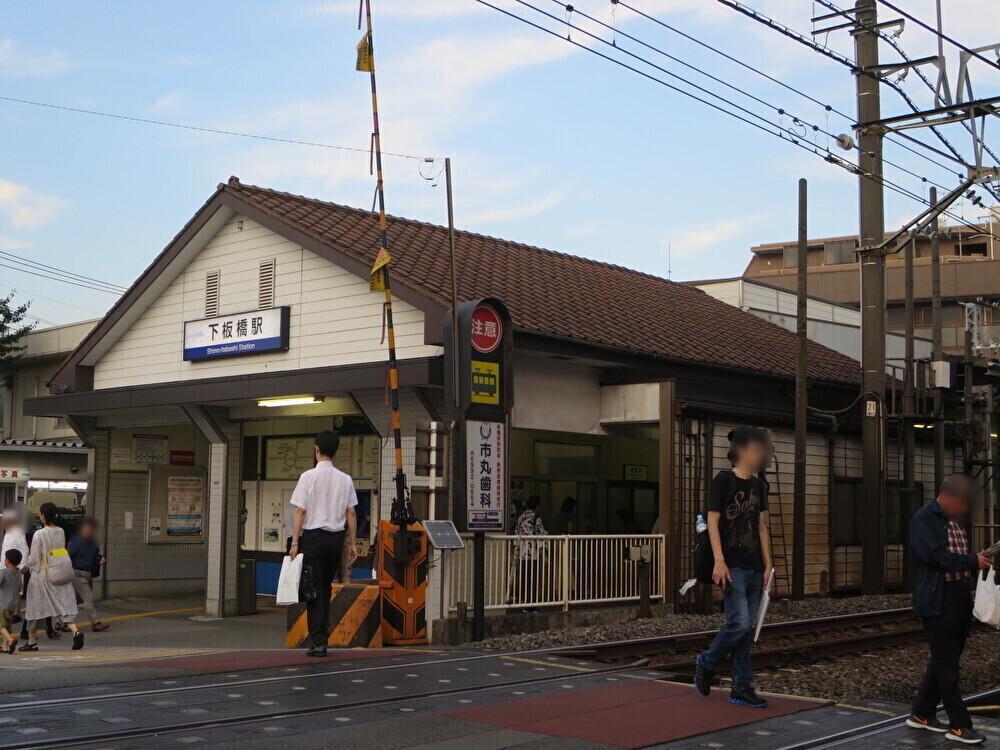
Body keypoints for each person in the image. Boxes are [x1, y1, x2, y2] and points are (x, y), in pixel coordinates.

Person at [906, 474, 992, 745]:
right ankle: (959, 725)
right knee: (947, 664)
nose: (965, 510)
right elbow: (933, 556)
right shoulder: (924, 519)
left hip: (956, 596)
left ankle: (921, 713)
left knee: (945, 657)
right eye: (963, 504)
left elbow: (951, 557)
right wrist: (970, 560)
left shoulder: (952, 521)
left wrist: (972, 561)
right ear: (950, 498)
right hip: (936, 599)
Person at [694, 426, 773, 709]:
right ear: (740, 451)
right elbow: (712, 521)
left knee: (746, 629)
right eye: (756, 450)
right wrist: (719, 560)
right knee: (738, 622)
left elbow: (762, 527)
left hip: (754, 566)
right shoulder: (723, 481)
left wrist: (768, 565)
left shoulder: (760, 486)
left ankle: (741, 686)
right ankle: (707, 661)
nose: (761, 455)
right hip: (732, 565)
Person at [288, 431, 358, 658]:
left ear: (316, 449)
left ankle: (317, 641)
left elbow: (300, 511)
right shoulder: (345, 479)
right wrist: (353, 544)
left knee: (312, 589)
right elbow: (351, 513)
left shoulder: (308, 477)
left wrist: (295, 542)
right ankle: (321, 640)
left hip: (313, 538)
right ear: (336, 451)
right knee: (325, 588)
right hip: (335, 540)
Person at [20, 503, 84, 651]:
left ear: (43, 515)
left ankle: (31, 641)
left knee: (35, 607)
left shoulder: (39, 534)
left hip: (43, 574)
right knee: (62, 605)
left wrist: (23, 569)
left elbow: (35, 557)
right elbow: (59, 550)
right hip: (60, 572)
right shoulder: (61, 531)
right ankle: (76, 631)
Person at [67, 518, 109, 632]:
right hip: (77, 574)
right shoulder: (76, 541)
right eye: (86, 528)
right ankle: (95, 622)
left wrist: (100, 558)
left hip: (86, 573)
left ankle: (61, 622)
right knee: (88, 597)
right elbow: (68, 555)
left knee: (73, 600)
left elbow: (96, 555)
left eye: (90, 529)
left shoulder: (92, 542)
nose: (88, 531)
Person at [516, 495, 547, 607]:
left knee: (524, 580)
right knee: (534, 580)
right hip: (533, 554)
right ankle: (532, 605)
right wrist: (544, 554)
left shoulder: (520, 518)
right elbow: (540, 535)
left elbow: (517, 534)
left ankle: (523, 604)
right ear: (538, 506)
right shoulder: (536, 518)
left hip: (522, 554)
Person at [0, 549, 21, 654]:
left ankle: (10, 640)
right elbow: (19, 590)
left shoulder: (3, 572)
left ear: (7, 560)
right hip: (12, 605)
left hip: (2, 604)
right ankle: (4, 647)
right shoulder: (18, 574)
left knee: (1, 626)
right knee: (7, 626)